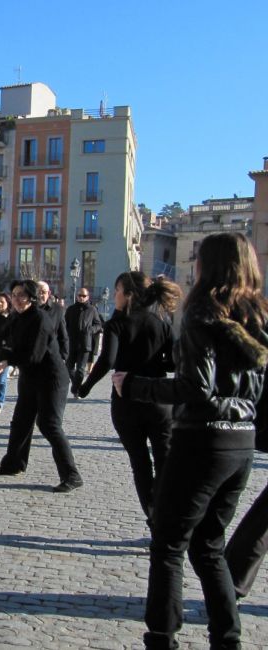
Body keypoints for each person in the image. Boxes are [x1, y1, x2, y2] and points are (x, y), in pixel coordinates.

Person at [112, 232, 268, 649]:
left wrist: (137, 386)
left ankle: (161, 637)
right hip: (242, 443)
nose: (193, 263)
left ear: (210, 265)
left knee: (167, 545)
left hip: (202, 439)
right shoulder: (256, 315)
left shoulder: (203, 311)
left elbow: (196, 389)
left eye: (199, 257)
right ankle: (227, 638)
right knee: (209, 546)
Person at [77, 272, 180, 524]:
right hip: (159, 400)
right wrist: (157, 363)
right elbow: (177, 360)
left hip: (127, 401)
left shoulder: (117, 324)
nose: (114, 295)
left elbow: (107, 360)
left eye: (117, 290)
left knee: (140, 462)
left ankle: (153, 516)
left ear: (130, 295)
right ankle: (167, 514)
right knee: (164, 460)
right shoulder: (161, 323)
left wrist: (85, 386)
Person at [0, 280, 83, 493]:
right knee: (21, 421)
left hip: (51, 378)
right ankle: (13, 463)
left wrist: (8, 360)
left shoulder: (40, 319)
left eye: (22, 295)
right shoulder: (16, 318)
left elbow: (34, 355)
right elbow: (6, 343)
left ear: (31, 297)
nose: (17, 299)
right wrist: (4, 356)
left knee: (49, 424)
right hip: (30, 376)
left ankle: (72, 474)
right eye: (14, 295)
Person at [64, 287, 103, 397]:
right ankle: (76, 387)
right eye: (80, 295)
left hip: (85, 344)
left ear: (88, 297)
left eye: (84, 296)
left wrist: (90, 330)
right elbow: (64, 324)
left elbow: (98, 324)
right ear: (77, 296)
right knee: (69, 367)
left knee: (80, 370)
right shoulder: (71, 309)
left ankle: (75, 389)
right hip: (71, 343)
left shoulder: (92, 309)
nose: (81, 297)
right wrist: (66, 333)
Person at [37, 281, 69, 362]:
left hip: (50, 355)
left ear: (49, 293)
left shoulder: (57, 310)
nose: (40, 295)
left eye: (43, 292)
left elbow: (63, 335)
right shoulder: (28, 308)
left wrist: (63, 356)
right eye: (37, 292)